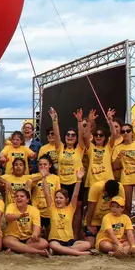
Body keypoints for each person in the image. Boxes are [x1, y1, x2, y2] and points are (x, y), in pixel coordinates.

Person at [48, 107, 86, 237]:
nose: (70, 137)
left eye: (73, 135)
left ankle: (74, 235)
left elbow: (81, 135)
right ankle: (61, 234)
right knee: (61, 209)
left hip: (76, 183)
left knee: (77, 209)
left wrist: (79, 121)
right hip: (62, 183)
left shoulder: (80, 149)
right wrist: (55, 120)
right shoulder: (60, 148)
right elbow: (57, 135)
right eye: (68, 135)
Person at [42, 168, 91, 256]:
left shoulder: (70, 208)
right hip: (55, 240)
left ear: (66, 200)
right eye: (56, 197)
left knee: (87, 244)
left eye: (61, 198)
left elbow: (75, 195)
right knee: (53, 245)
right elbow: (46, 193)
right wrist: (44, 178)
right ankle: (81, 253)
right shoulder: (52, 208)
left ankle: (63, 251)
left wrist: (79, 180)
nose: (58, 200)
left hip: (69, 241)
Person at [112, 121, 135, 216]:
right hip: (126, 178)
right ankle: (127, 228)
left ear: (132, 132)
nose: (126, 133)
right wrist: (119, 157)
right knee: (126, 206)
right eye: (123, 132)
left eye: (128, 131)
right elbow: (114, 167)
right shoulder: (118, 148)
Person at [3, 189, 49, 257]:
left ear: (27, 200)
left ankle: (16, 249)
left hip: (28, 238)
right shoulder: (11, 206)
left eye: (22, 196)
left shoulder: (34, 210)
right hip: (13, 236)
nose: (19, 198)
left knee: (44, 243)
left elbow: (36, 226)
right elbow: (8, 217)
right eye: (17, 196)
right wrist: (19, 216)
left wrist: (35, 234)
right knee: (6, 241)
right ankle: (38, 251)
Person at [84, 179, 125, 246]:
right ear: (104, 189)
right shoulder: (96, 187)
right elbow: (90, 207)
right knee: (90, 244)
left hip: (111, 222)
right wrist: (89, 225)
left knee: (113, 242)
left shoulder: (120, 187)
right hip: (95, 222)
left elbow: (122, 206)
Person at [31, 155, 60, 237]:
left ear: (50, 165)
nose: (42, 166)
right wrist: (41, 177)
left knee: (51, 236)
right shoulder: (33, 176)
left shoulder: (56, 178)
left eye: (45, 164)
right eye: (40, 164)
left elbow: (57, 194)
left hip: (50, 212)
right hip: (36, 212)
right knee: (37, 236)